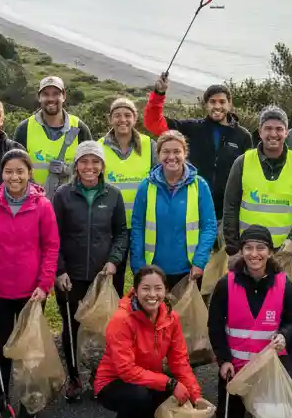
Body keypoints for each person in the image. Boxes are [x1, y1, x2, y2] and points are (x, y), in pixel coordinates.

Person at [0, 149, 59, 418]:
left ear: (29, 173)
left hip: (32, 292)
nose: (14, 176)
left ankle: (28, 398)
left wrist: (44, 286)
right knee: (2, 347)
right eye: (9, 171)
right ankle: (2, 398)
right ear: (2, 173)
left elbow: (51, 247)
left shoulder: (43, 205)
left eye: (20, 171)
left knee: (29, 349)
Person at [94, 264, 203, 418]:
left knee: (175, 398)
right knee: (139, 397)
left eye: (158, 288)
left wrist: (195, 396)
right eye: (145, 288)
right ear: (135, 291)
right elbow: (126, 371)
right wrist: (170, 383)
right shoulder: (121, 320)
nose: (152, 294)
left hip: (148, 378)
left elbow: (179, 361)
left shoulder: (171, 318)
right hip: (113, 383)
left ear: (166, 291)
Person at [52, 140, 130, 402]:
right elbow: (54, 237)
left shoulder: (113, 194)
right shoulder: (63, 195)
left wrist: (114, 261)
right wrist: (60, 270)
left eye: (95, 161)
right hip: (70, 276)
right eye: (84, 161)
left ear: (102, 166)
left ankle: (101, 376)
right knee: (71, 326)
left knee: (104, 329)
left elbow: (121, 233)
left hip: (103, 276)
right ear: (76, 165)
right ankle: (74, 377)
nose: (89, 166)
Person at [208, 225, 292, 418]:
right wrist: (224, 360)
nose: (254, 254)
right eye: (249, 248)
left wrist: (284, 335)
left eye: (260, 248)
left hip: (270, 363)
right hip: (236, 365)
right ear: (241, 251)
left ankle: (266, 404)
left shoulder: (283, 283)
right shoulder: (226, 284)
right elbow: (215, 326)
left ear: (270, 252)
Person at [145, 73, 252, 223]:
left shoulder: (243, 136)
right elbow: (154, 123)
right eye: (212, 102)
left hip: (228, 213)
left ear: (229, 104)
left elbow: (248, 175)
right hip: (193, 206)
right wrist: (159, 94)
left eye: (222, 102)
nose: (217, 106)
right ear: (206, 105)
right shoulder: (192, 128)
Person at [129, 130, 217, 291]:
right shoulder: (146, 186)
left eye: (177, 151)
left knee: (186, 316)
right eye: (166, 152)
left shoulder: (199, 186)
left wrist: (199, 262)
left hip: (189, 271)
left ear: (185, 153)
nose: (171, 157)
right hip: (153, 272)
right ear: (158, 154)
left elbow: (209, 227)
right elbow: (137, 228)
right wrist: (138, 265)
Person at [222, 105, 292, 256]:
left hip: (287, 254)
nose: (273, 133)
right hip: (249, 254)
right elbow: (230, 207)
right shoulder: (242, 162)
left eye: (279, 129)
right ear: (260, 131)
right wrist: (234, 248)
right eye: (268, 128)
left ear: (286, 132)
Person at [13, 76, 93, 200]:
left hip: (71, 205)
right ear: (39, 97)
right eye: (45, 94)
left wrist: (69, 170)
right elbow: (15, 169)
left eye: (56, 94)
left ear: (63, 96)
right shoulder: (24, 129)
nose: (51, 99)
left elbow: (92, 169)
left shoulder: (79, 128)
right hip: (33, 205)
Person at [101, 96, 155, 230]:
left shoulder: (149, 145)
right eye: (117, 115)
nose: (123, 120)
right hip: (111, 223)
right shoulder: (98, 147)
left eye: (127, 115)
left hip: (143, 222)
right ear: (110, 119)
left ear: (135, 119)